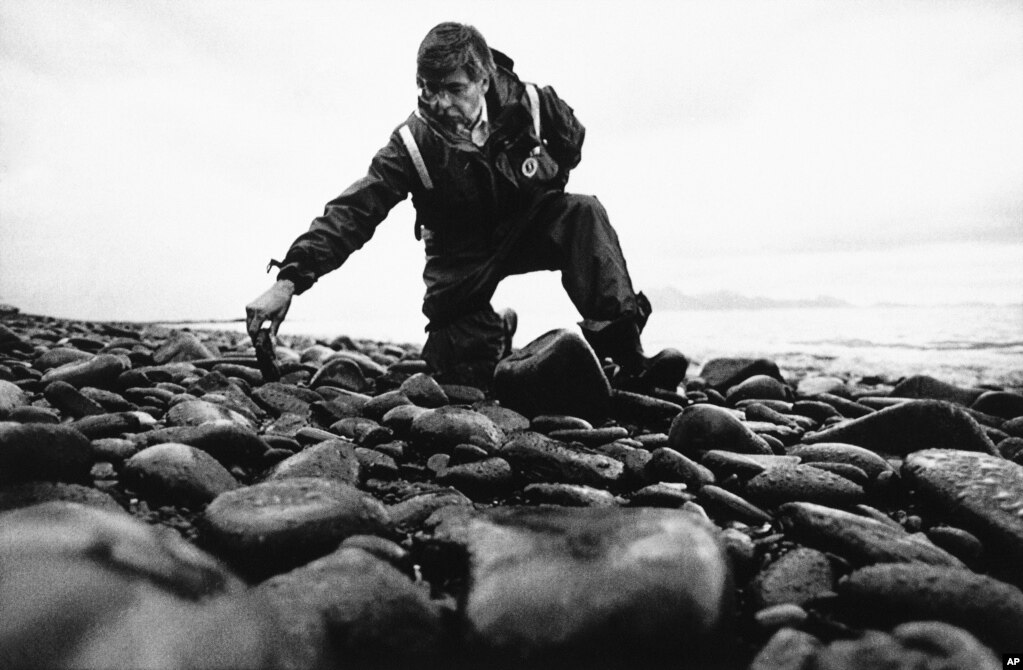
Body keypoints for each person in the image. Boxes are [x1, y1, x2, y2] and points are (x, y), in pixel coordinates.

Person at [246, 22, 686, 390]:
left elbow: (572, 141)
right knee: (465, 377)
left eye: (453, 89)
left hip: (526, 224)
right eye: (427, 88)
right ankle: (496, 331)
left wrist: (548, 174)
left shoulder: (531, 104)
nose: (438, 102)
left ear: (483, 79)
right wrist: (289, 279)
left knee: (583, 213)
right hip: (459, 256)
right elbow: (353, 212)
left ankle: (628, 359)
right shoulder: (410, 145)